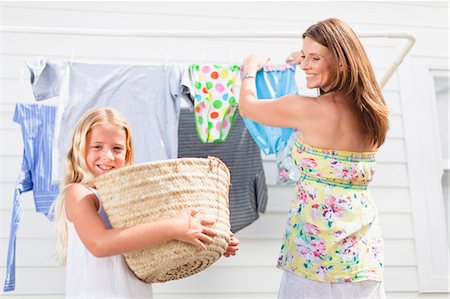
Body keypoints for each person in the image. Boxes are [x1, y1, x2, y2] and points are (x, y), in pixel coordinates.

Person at [239, 18, 388, 298]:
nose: (305, 64)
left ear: (341, 63)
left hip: (315, 257)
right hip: (363, 256)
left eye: (314, 58)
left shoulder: (306, 109)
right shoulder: (374, 113)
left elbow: (248, 107)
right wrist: (311, 60)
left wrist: (250, 69)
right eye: (304, 55)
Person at [52, 107, 239, 298]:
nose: (108, 156)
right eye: (97, 146)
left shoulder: (130, 200)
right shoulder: (79, 193)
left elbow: (154, 236)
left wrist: (211, 235)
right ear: (79, 148)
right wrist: (175, 227)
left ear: (127, 153)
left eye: (117, 148)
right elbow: (99, 244)